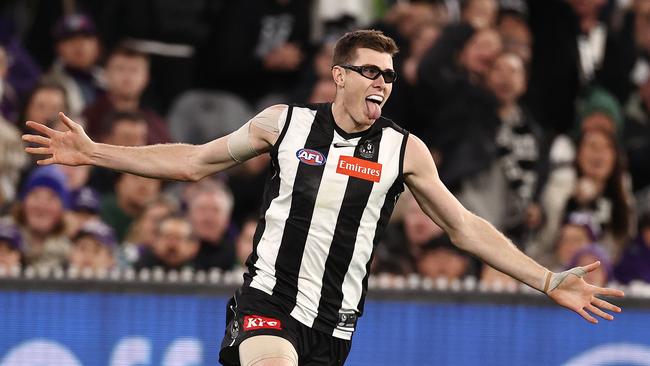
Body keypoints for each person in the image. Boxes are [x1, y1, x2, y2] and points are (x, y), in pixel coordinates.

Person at [23, 30, 624, 366]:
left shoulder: (403, 151)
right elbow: (192, 162)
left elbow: (465, 228)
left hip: (335, 325)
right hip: (269, 301)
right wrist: (95, 152)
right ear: (339, 75)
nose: (381, 84)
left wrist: (547, 280)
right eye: (370, 72)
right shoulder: (281, 124)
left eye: (389, 76)